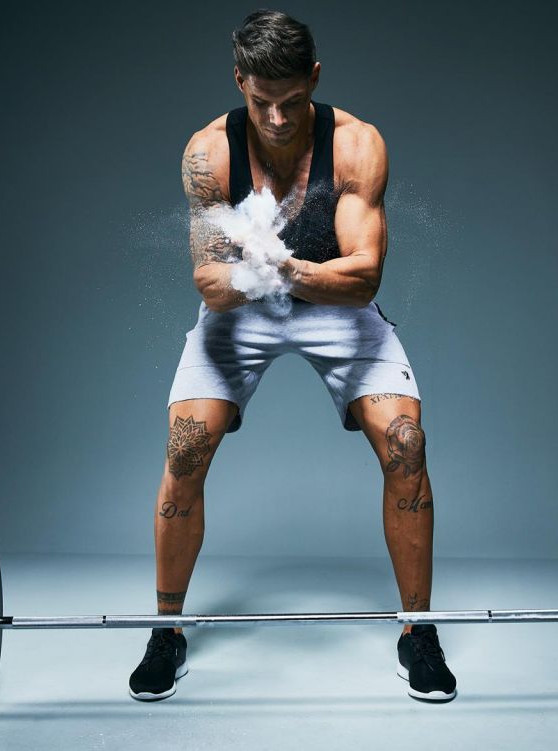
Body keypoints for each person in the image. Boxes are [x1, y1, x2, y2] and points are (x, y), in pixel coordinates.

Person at [129, 9, 456, 703]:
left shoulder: (358, 145)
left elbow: (363, 278)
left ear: (315, 78)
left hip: (337, 310)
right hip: (242, 314)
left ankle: (419, 631)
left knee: (407, 443)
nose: (277, 119)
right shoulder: (209, 153)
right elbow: (211, 285)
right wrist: (266, 275)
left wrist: (282, 266)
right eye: (261, 102)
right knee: (184, 451)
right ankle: (165, 631)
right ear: (239, 81)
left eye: (293, 101)